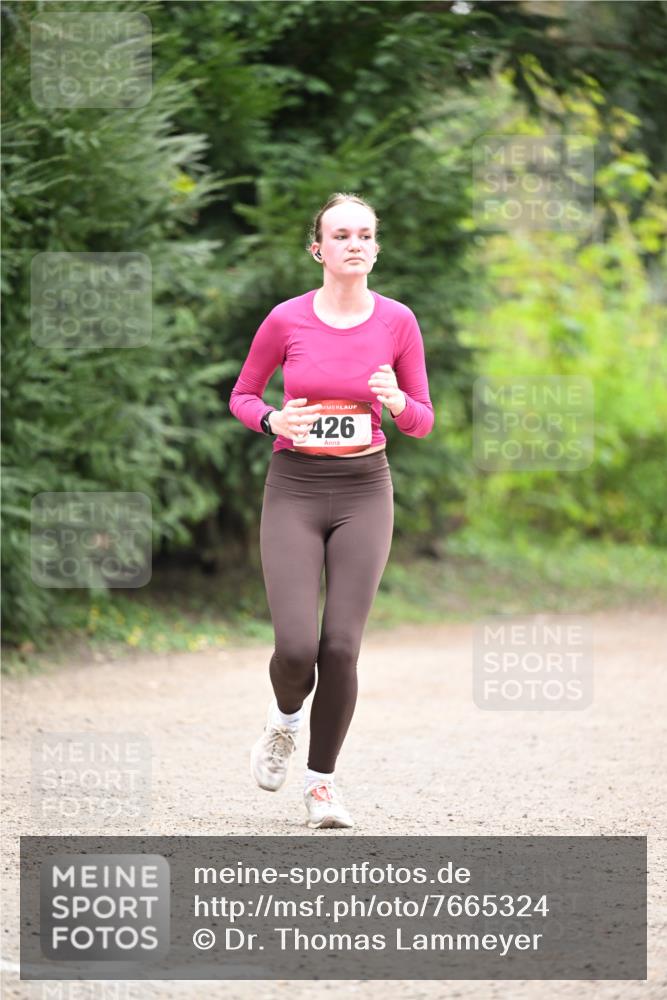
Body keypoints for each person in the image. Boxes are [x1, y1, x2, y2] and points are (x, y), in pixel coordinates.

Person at [228, 192, 434, 829]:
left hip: (364, 491)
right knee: (296, 648)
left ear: (376, 247)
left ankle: (321, 786)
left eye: (365, 235)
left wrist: (396, 400)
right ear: (318, 248)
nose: (355, 244)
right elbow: (241, 394)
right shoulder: (286, 320)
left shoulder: (397, 321)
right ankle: (283, 720)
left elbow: (422, 421)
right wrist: (271, 418)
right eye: (341, 235)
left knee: (341, 647)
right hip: (292, 488)